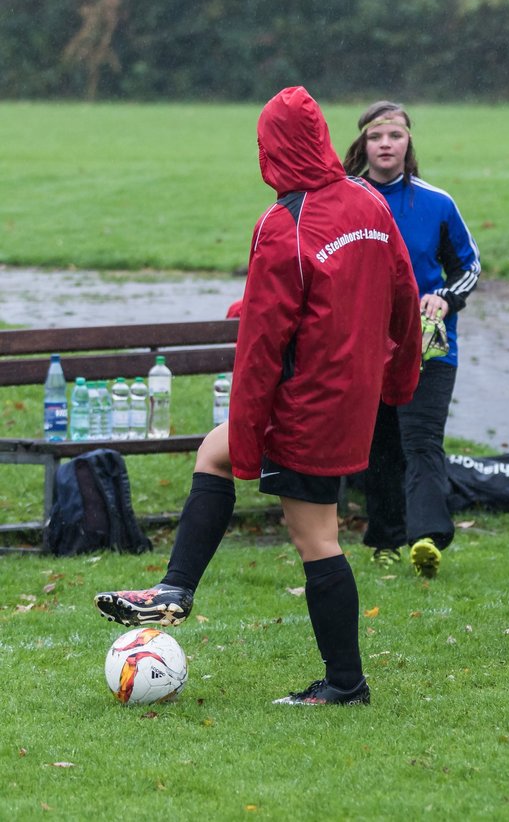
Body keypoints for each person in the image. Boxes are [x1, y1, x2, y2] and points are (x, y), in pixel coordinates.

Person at [94, 86, 423, 704]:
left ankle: (345, 684)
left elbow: (261, 350)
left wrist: (251, 435)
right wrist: (400, 380)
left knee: (315, 538)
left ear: (277, 147)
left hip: (304, 404)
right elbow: (399, 297)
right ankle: (175, 589)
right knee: (213, 455)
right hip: (351, 397)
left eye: (261, 143)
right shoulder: (368, 203)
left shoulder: (283, 223)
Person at [341, 101, 482, 578]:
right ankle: (384, 539)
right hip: (366, 344)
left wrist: (444, 296)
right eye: (377, 137)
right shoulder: (344, 200)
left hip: (429, 345)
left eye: (395, 136)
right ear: (363, 143)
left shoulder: (436, 203)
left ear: (408, 143)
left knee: (421, 441)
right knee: (379, 444)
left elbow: (469, 266)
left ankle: (426, 537)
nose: (386, 145)